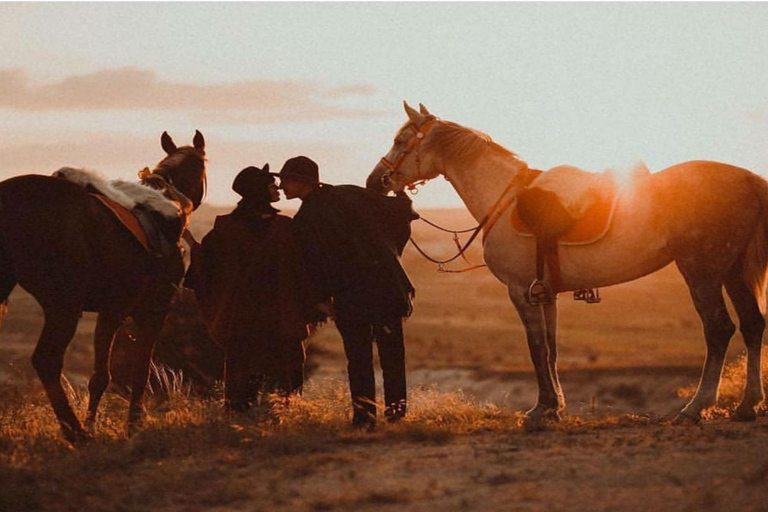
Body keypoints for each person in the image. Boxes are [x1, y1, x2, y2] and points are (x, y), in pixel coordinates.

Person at [277, 156, 418, 429]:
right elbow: (402, 210)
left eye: (285, 180)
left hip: (350, 295)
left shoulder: (304, 221)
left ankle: (364, 418)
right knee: (391, 353)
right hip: (384, 287)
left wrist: (320, 300)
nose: (281, 186)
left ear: (300, 181)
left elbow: (314, 265)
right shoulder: (348, 194)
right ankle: (396, 414)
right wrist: (390, 254)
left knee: (359, 357)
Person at [185, 164, 314, 412]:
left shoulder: (227, 228)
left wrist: (193, 245)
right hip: (280, 314)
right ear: (259, 191)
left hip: (243, 316)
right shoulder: (284, 227)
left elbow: (208, 267)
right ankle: (286, 413)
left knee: (243, 367)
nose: (277, 189)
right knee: (284, 370)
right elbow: (301, 270)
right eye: (271, 185)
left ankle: (240, 414)